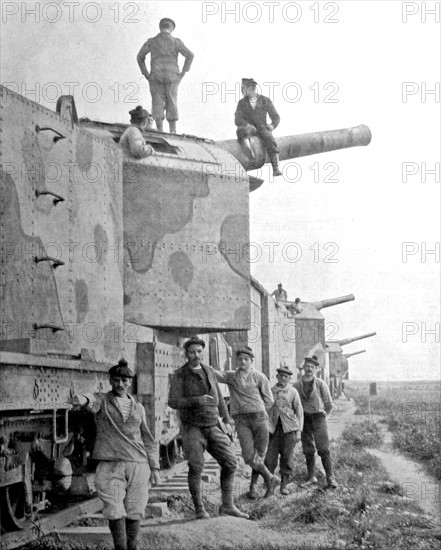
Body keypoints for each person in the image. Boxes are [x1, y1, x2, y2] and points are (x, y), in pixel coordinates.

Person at [69, 359, 161, 550]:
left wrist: (155, 467)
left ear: (130, 382)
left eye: (124, 380)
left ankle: (132, 547)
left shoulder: (139, 408)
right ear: (110, 381)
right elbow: (91, 400)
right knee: (114, 509)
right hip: (111, 465)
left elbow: (149, 439)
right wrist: (82, 399)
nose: (120, 384)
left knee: (135, 510)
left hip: (138, 464)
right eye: (116, 380)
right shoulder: (102, 401)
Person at [168, 337, 248, 520]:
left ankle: (227, 505)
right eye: (192, 352)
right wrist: (196, 401)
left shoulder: (209, 370)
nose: (196, 355)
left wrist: (227, 420)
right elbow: (172, 401)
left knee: (230, 462)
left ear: (203, 352)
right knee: (196, 466)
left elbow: (219, 397)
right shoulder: (180, 374)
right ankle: (199, 509)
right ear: (186, 354)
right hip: (192, 428)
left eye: (199, 351)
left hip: (213, 425)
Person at [214, 346, 279, 499]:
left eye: (246, 359)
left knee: (260, 456)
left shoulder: (259, 377)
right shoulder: (231, 376)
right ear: (236, 360)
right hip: (242, 420)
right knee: (249, 456)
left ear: (251, 361)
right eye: (240, 359)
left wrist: (269, 423)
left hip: (260, 418)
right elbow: (215, 374)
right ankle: (270, 478)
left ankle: (254, 488)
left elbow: (269, 401)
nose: (242, 361)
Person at [137, 18, 194, 133]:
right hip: (173, 75)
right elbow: (190, 55)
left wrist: (146, 73)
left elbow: (139, 56)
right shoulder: (176, 41)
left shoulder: (152, 41)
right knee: (172, 100)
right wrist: (183, 72)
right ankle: (173, 131)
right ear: (172, 28)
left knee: (157, 101)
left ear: (160, 27)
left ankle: (160, 130)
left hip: (155, 75)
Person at [293, 356, 338, 489]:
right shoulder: (296, 385)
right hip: (304, 419)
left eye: (312, 367)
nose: (309, 369)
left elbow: (329, 405)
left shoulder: (320, 384)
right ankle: (311, 477)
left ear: (316, 369)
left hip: (318, 418)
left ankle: (330, 478)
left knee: (323, 448)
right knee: (308, 449)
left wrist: (324, 416)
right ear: (303, 368)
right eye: (307, 366)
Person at [265, 366, 303, 496]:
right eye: (280, 376)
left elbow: (299, 412)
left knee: (287, 458)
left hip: (289, 429)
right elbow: (265, 409)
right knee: (270, 459)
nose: (283, 378)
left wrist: (299, 431)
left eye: (285, 376)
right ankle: (270, 488)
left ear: (289, 379)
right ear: (277, 377)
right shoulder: (271, 391)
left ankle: (283, 485)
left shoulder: (293, 392)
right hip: (273, 429)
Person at [235, 77, 282, 176]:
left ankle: (276, 168)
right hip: (248, 128)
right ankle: (248, 149)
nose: (241, 91)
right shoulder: (242, 103)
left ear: (250, 88)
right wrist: (247, 125)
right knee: (240, 131)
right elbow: (237, 119)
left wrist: (272, 126)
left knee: (269, 139)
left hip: (262, 127)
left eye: (243, 88)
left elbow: (276, 117)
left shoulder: (265, 100)